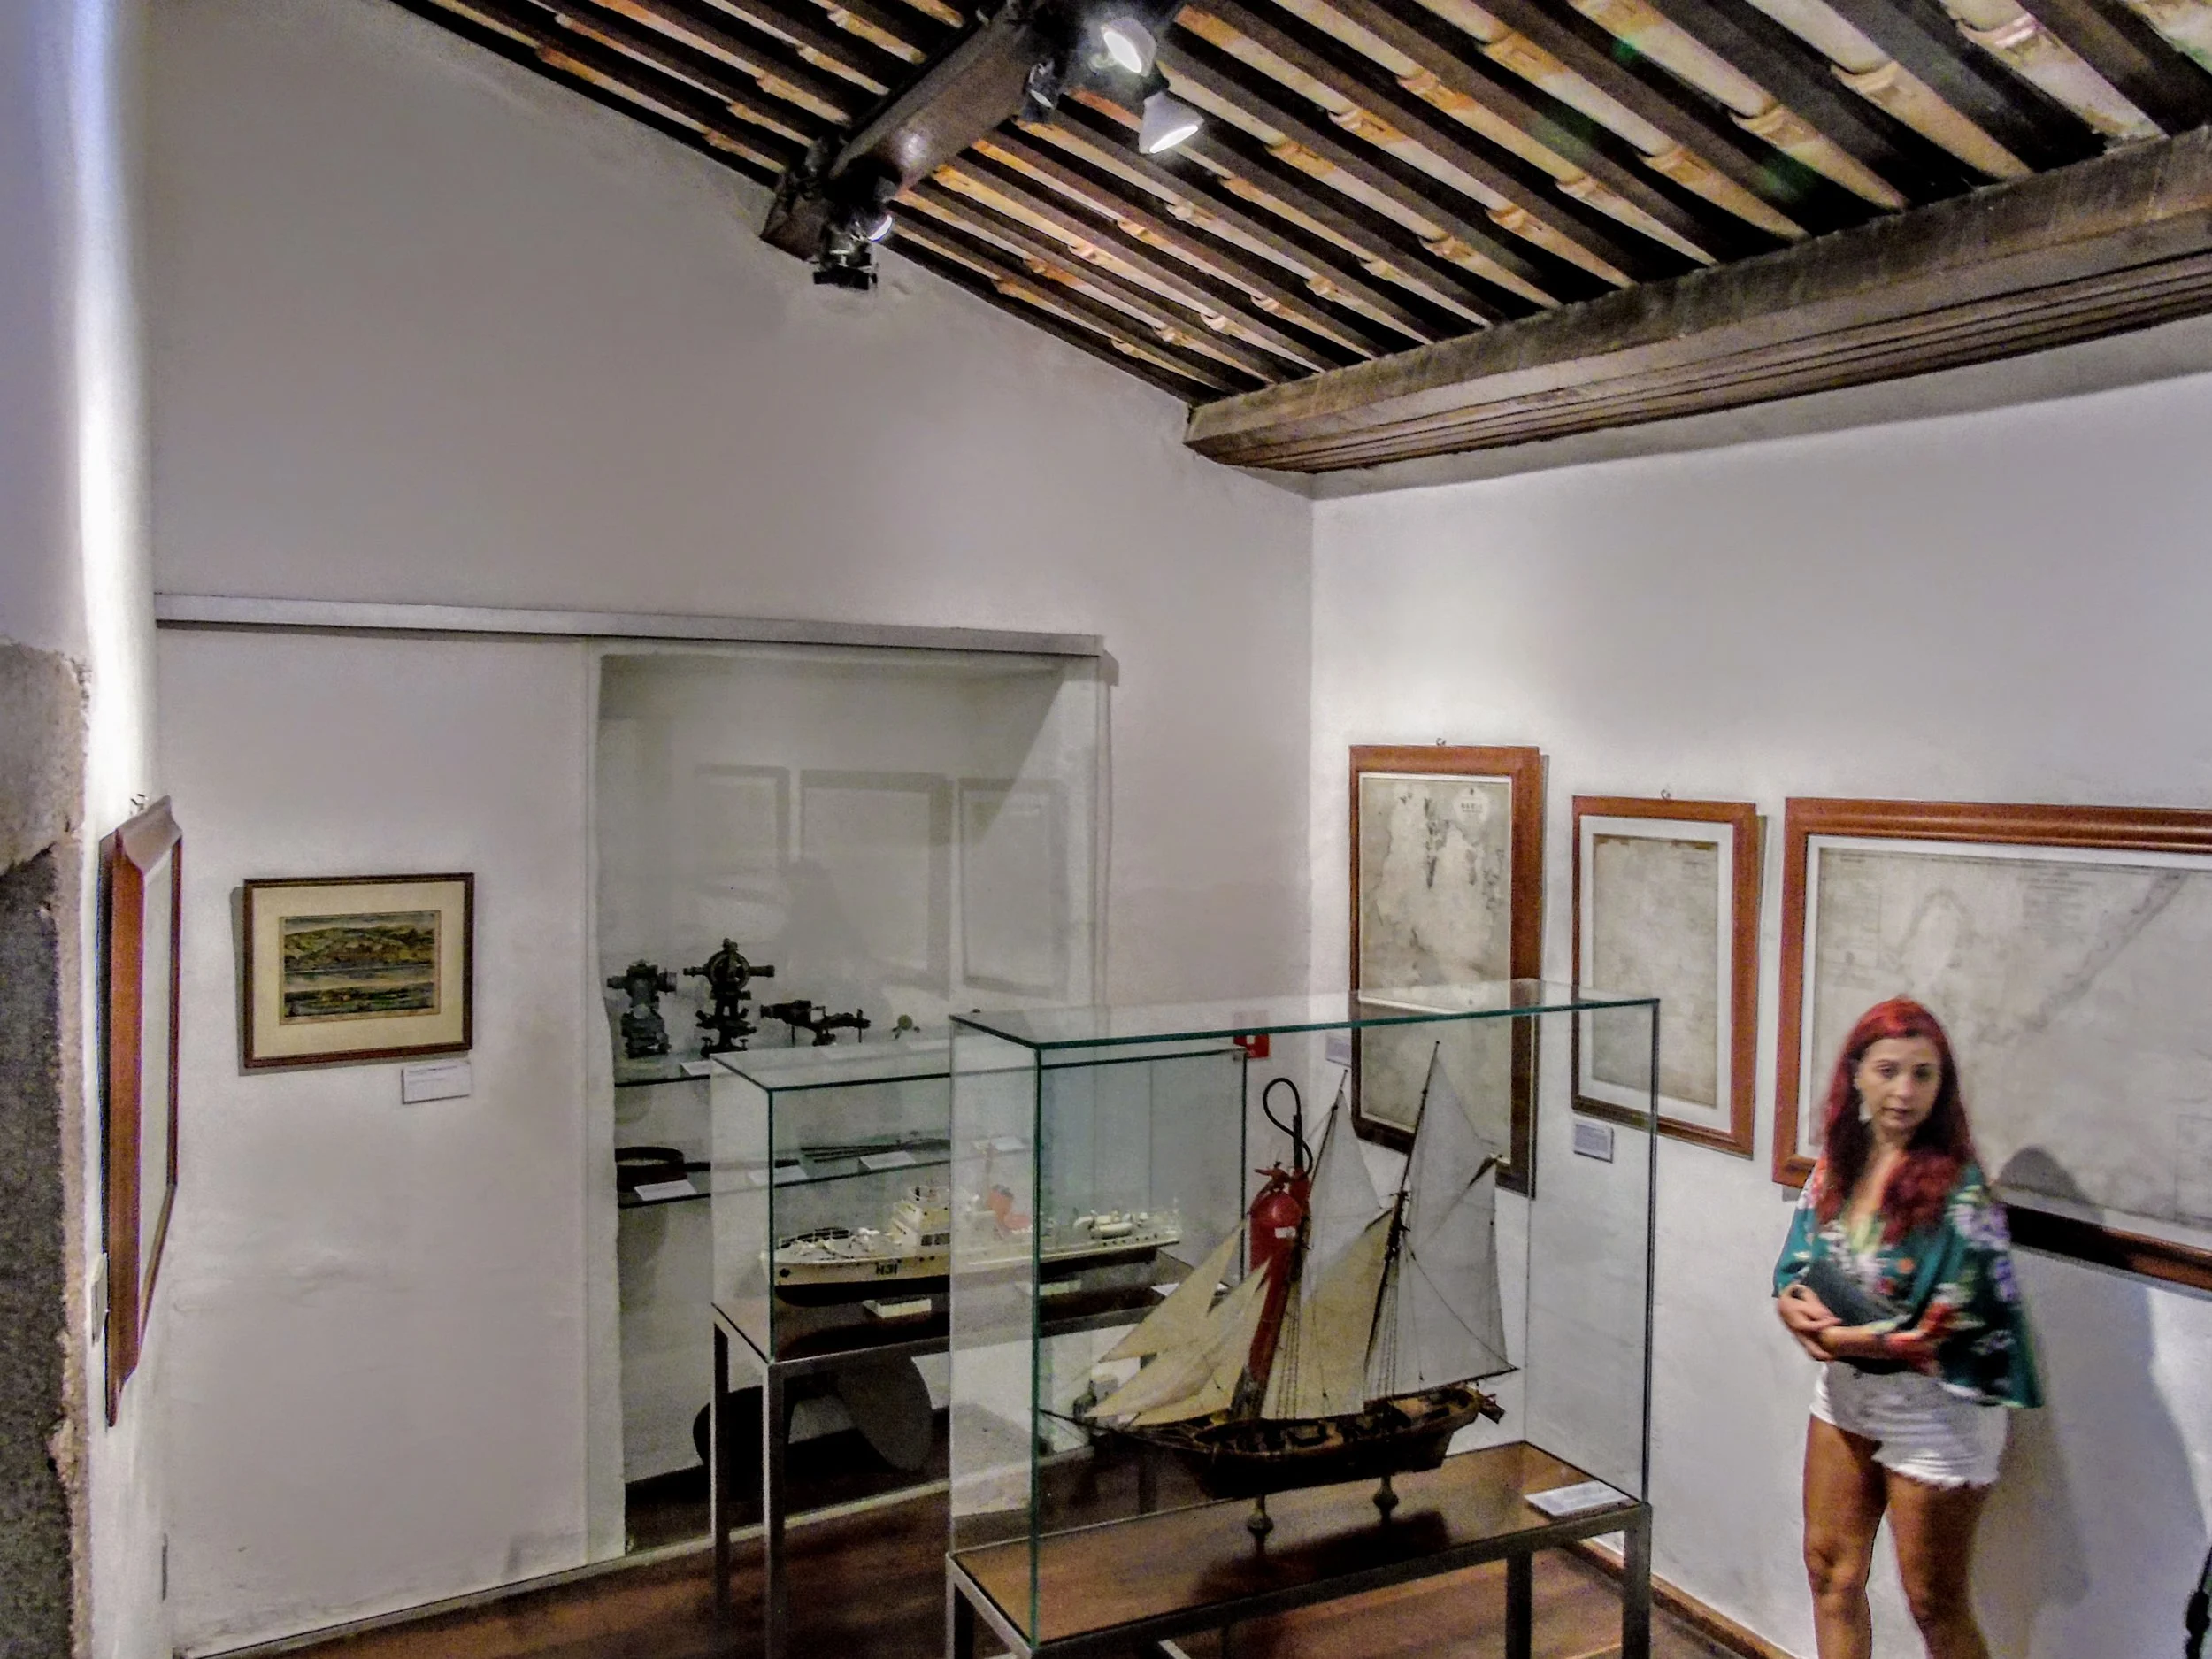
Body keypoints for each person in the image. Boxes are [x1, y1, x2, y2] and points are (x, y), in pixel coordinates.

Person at [1773, 997, 2040, 1659]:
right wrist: (1790, 1302)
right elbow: (1799, 1261)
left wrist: (1834, 1339)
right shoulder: (1840, 1163)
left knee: (1933, 1603)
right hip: (1847, 1390)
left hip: (1936, 1408)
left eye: (1923, 1074)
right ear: (1856, 1074)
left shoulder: (1960, 1189)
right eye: (1888, 1070)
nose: (1904, 1091)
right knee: (1829, 1571)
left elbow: (1933, 1329)